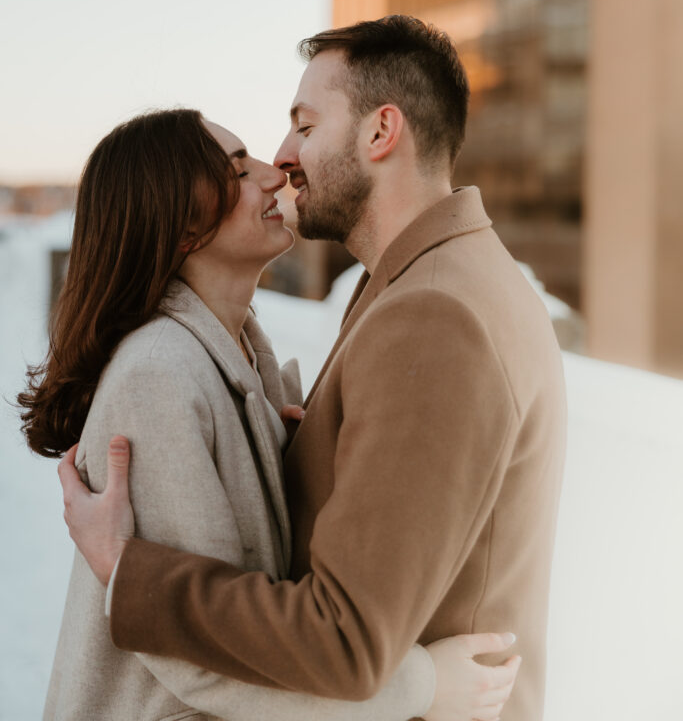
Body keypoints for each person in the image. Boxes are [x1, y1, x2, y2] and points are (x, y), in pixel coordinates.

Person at [20, 107, 520, 721]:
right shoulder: (158, 376)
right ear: (177, 224)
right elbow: (202, 658)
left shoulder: (242, 356)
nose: (272, 175)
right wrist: (422, 686)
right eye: (235, 171)